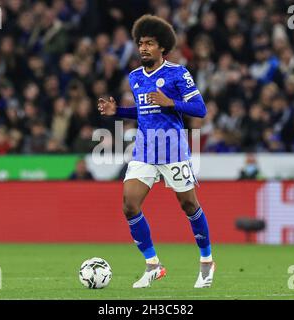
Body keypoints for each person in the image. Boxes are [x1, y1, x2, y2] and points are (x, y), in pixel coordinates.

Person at [97, 15, 214, 289]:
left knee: (189, 205)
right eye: (140, 43)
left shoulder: (178, 73)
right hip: (144, 151)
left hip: (173, 150)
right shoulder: (135, 77)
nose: (143, 48)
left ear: (163, 47)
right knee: (129, 204)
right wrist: (119, 112)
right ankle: (153, 265)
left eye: (149, 43)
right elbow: (143, 111)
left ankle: (207, 260)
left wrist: (171, 102)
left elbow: (200, 109)